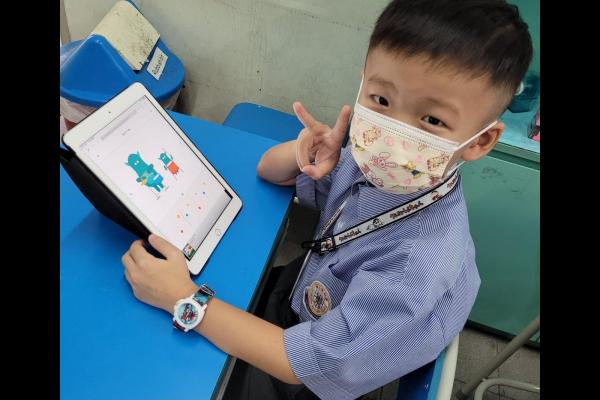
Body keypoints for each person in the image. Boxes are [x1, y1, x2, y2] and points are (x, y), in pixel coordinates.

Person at [121, 1, 533, 398]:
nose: (392, 135)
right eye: (381, 100)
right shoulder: (373, 163)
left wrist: (184, 299)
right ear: (364, 81)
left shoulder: (417, 268)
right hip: (298, 295)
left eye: (432, 120)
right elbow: (267, 170)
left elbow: (298, 364)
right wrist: (305, 150)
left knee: (151, 369)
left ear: (480, 142)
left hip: (300, 375)